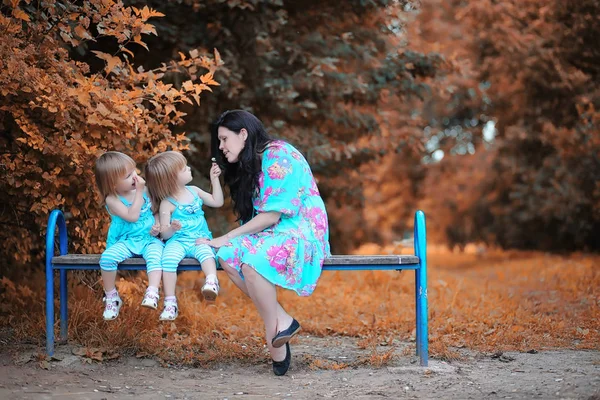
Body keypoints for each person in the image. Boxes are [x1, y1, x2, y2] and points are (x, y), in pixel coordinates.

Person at [197, 110, 330, 376]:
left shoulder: (278, 154)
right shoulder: (254, 162)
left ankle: (273, 338)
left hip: (301, 231)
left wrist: (225, 235)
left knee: (252, 264)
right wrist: (225, 242)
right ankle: (283, 321)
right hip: (275, 232)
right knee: (228, 255)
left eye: (224, 139)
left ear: (243, 134)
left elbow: (271, 215)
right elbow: (263, 219)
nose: (221, 147)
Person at [145, 151, 224, 321]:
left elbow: (217, 202)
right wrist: (172, 229)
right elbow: (164, 235)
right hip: (178, 241)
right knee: (168, 259)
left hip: (199, 239)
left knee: (206, 253)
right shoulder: (167, 203)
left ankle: (211, 280)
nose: (188, 168)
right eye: (183, 168)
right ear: (172, 178)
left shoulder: (194, 191)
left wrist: (214, 180)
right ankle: (170, 302)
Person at [94, 151, 164, 320]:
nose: (135, 177)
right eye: (128, 176)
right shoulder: (113, 199)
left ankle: (153, 291)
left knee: (156, 256)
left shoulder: (147, 191)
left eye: (134, 171)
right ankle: (111, 296)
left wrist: (157, 224)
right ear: (112, 184)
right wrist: (139, 193)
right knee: (107, 259)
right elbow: (132, 216)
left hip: (149, 239)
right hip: (126, 240)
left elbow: (154, 211)